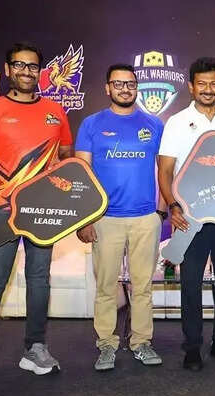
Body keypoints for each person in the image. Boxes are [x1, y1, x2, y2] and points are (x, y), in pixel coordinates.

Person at [0, 42, 72, 387]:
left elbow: (67, 160)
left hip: (43, 211)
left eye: (33, 66)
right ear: (7, 69)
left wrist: (66, 204)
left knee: (40, 280)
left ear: (41, 71)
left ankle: (35, 348)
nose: (26, 71)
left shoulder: (56, 111)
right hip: (0, 212)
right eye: (19, 65)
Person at [157, 57, 215, 372]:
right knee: (191, 282)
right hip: (189, 215)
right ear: (191, 86)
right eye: (201, 84)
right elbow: (164, 170)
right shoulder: (176, 122)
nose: (207, 89)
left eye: (213, 84)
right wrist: (173, 206)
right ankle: (192, 346)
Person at [75, 64, 165, 370]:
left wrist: (161, 211)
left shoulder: (154, 124)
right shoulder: (91, 124)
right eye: (118, 84)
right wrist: (85, 219)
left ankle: (141, 342)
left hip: (145, 218)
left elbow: (166, 171)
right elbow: (82, 174)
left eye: (130, 84)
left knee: (143, 287)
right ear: (107, 88)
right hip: (105, 218)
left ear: (137, 87)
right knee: (105, 287)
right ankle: (106, 344)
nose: (125, 89)